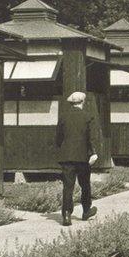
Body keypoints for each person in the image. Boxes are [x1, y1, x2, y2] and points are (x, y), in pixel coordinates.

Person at [55, 91, 102, 226]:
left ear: (71, 103)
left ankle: (67, 215)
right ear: (82, 102)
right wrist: (93, 152)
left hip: (67, 157)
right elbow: (91, 137)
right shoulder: (87, 117)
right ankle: (86, 210)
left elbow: (58, 137)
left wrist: (62, 150)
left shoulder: (63, 117)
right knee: (85, 184)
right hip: (82, 157)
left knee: (68, 186)